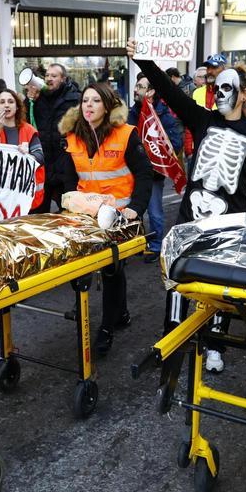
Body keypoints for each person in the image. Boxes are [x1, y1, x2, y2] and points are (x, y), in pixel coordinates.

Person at [131, 40, 246, 372]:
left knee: (221, 289)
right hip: (189, 220)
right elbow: (168, 89)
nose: (218, 93)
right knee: (179, 280)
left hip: (228, 225)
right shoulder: (202, 120)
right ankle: (173, 338)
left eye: (226, 88)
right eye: (216, 87)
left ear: (242, 94)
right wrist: (142, 58)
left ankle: (215, 344)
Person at [59, 82, 152, 355]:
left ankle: (107, 327)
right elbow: (68, 178)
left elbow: (145, 174)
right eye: (85, 101)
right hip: (84, 218)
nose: (88, 105)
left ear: (108, 105)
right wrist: (68, 201)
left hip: (119, 217)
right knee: (81, 267)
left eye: (95, 101)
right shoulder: (72, 137)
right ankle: (118, 313)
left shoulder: (125, 135)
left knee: (112, 270)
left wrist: (136, 208)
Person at [131, 73, 182, 261]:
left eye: (140, 87)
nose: (136, 90)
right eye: (136, 86)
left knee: (154, 212)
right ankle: (136, 242)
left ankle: (155, 245)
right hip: (133, 172)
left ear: (151, 91)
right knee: (133, 210)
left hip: (153, 174)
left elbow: (176, 143)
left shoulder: (164, 115)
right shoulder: (132, 112)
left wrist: (154, 151)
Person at [33, 63, 83, 212]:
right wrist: (30, 100)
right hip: (45, 162)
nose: (49, 79)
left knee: (68, 210)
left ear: (63, 79)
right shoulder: (38, 98)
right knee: (39, 211)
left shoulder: (75, 99)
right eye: (47, 75)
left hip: (66, 163)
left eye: (54, 76)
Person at [0, 88, 45, 209]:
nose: (6, 105)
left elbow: (40, 157)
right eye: (2, 102)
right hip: (1, 197)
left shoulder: (28, 129)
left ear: (17, 107)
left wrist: (28, 156)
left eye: (10, 101)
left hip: (26, 196)